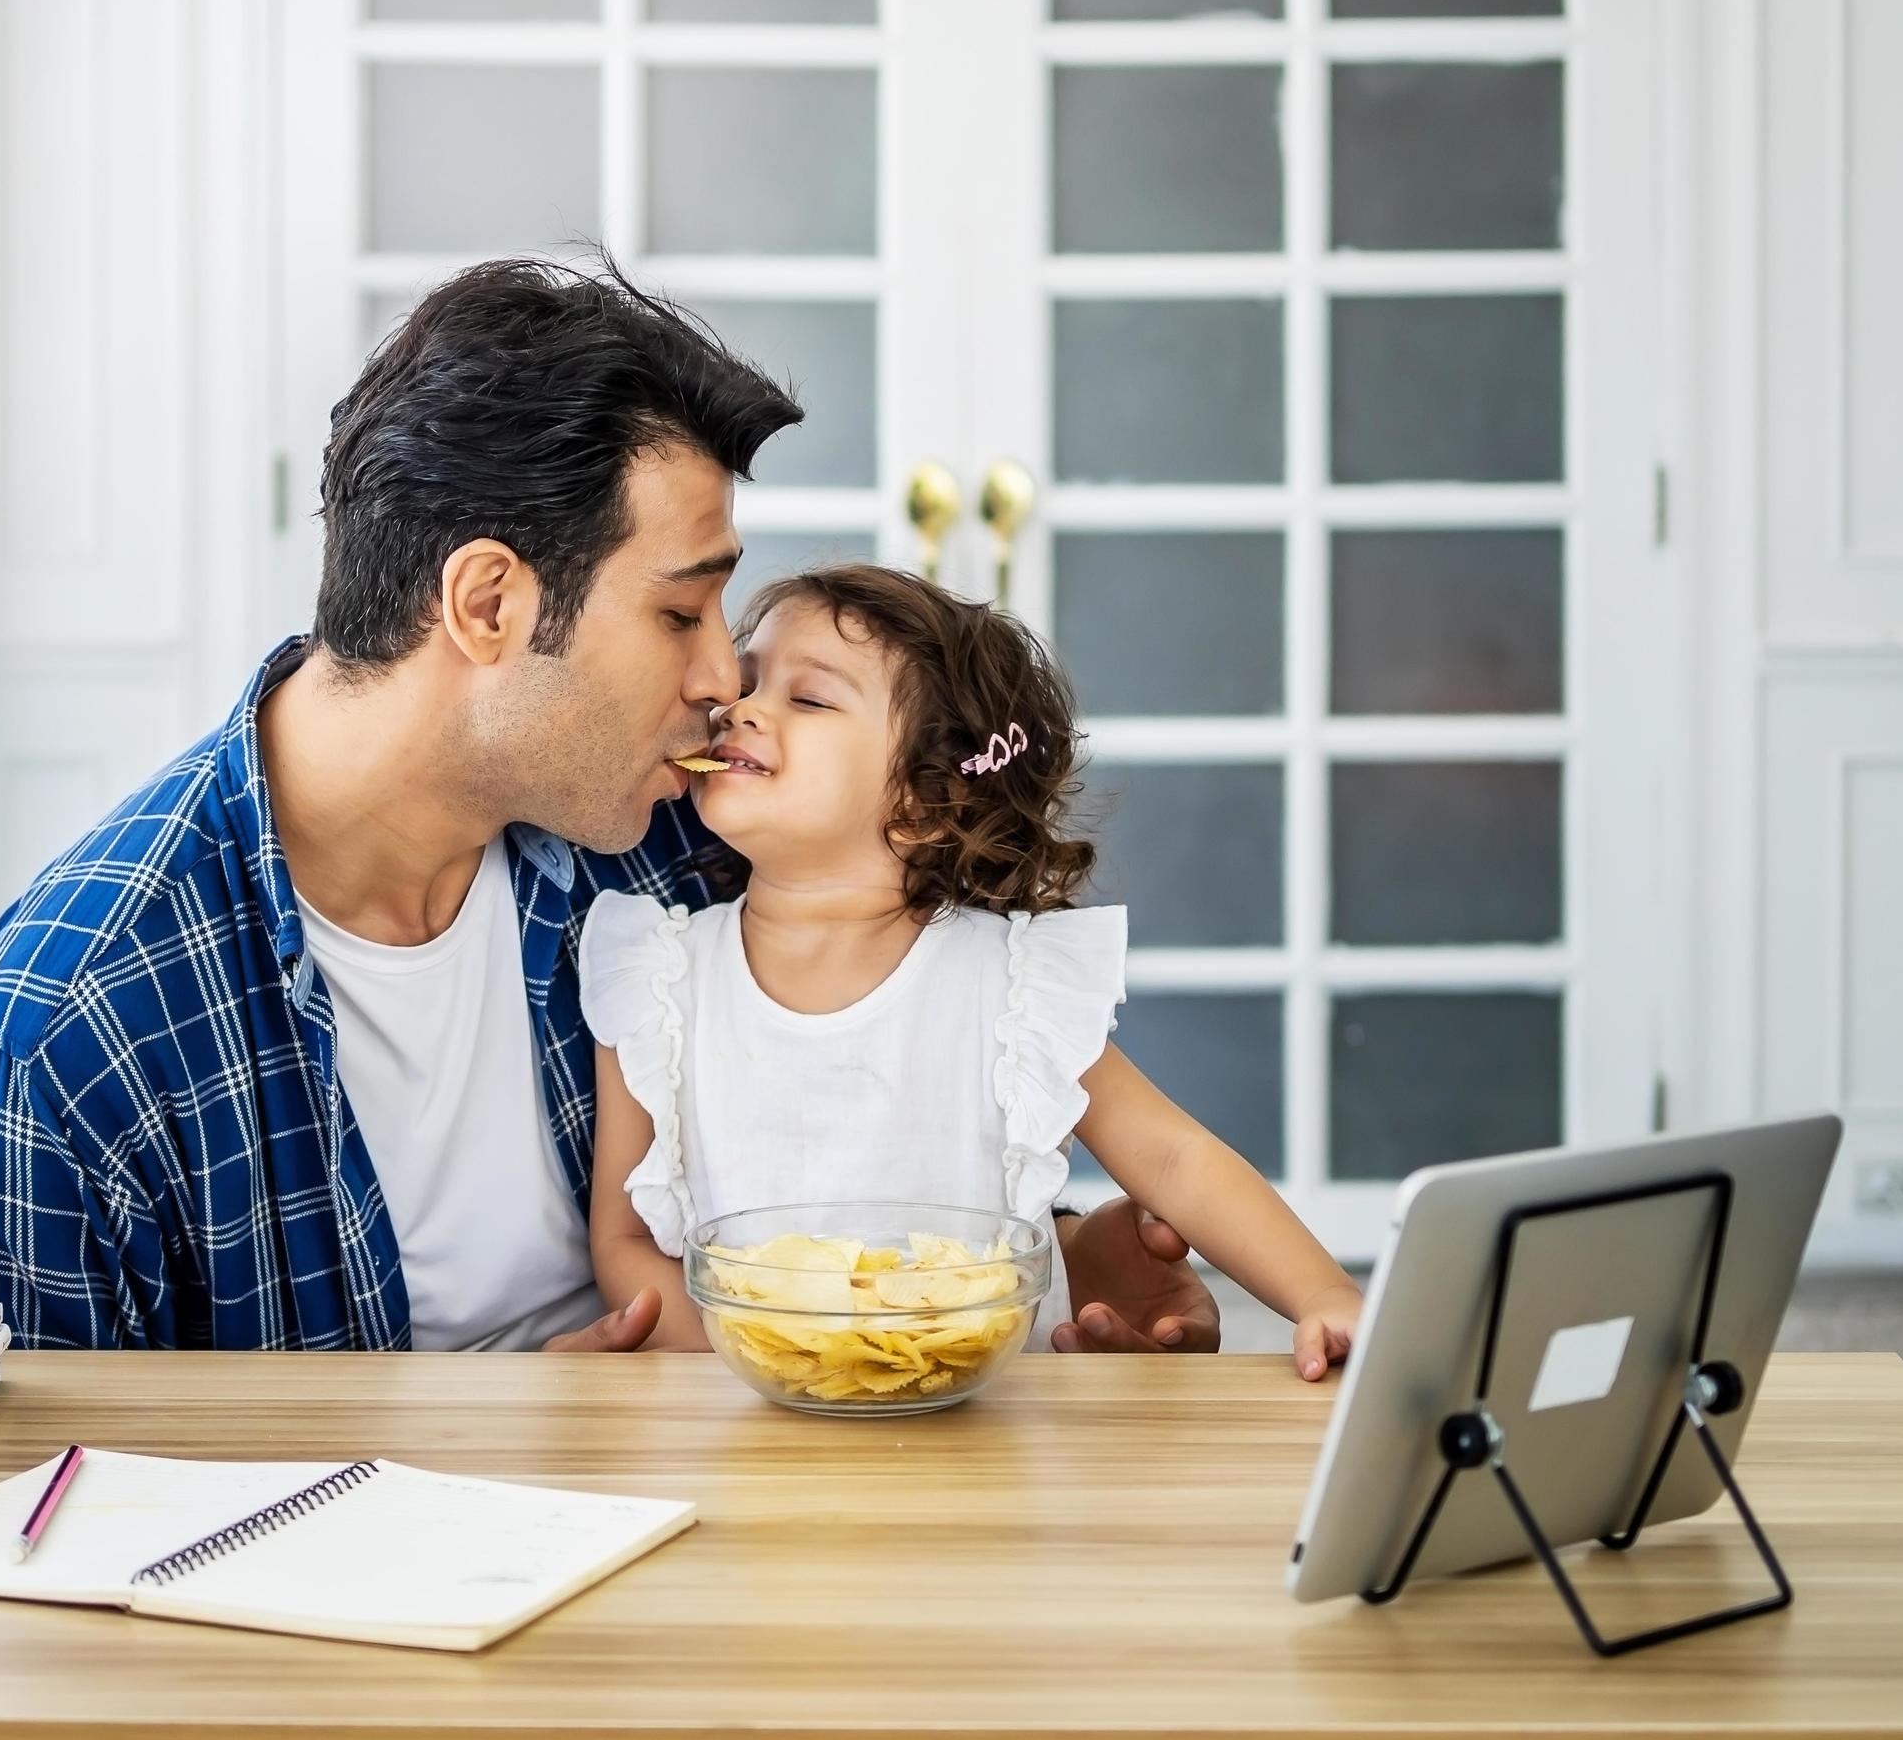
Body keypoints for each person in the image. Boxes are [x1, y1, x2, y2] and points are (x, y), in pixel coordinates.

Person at [0, 257, 1221, 1354]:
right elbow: (15, 1512)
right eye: (678, 612)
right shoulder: (77, 1021)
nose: (725, 684)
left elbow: (839, 1125)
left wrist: (1062, 1259)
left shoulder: (666, 847)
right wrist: (496, 1440)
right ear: (489, 605)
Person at [584, 563, 1363, 1378]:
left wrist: (1321, 1294)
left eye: (807, 699)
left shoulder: (1011, 984)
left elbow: (1173, 1158)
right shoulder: (656, 977)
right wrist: (776, 1365)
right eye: (748, 683)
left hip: (998, 1430)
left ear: (926, 804)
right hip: (752, 1430)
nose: (740, 707)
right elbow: (625, 1239)